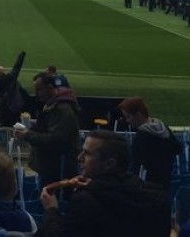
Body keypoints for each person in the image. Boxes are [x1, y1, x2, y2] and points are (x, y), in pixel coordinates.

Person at [37, 130, 171, 237]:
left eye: (87, 154)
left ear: (109, 164)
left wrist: (51, 210)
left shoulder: (85, 201)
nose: (79, 158)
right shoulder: (157, 196)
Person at [13, 73, 80, 188]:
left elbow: (55, 140)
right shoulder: (54, 105)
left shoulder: (62, 110)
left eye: (39, 90)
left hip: (56, 171)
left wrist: (27, 135)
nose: (37, 94)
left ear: (50, 88)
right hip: (52, 168)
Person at [118, 96, 181, 190]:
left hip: (148, 187)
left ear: (138, 115)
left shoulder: (141, 137)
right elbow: (178, 149)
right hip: (165, 183)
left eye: (128, 117)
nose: (127, 121)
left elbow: (137, 166)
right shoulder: (164, 128)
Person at [0, 51, 28, 127]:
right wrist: (21, 56)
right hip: (14, 110)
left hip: (3, 116)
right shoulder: (10, 78)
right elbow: (16, 68)